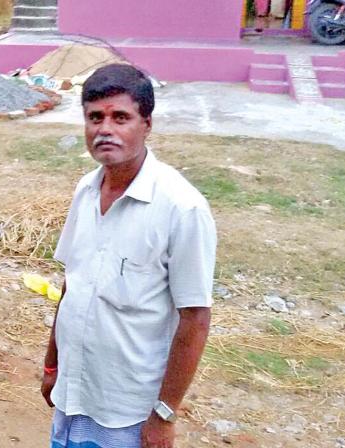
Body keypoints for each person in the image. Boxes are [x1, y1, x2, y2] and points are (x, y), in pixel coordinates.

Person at [40, 63, 216, 448]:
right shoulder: (85, 191)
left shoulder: (181, 208)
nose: (105, 129)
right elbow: (72, 284)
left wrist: (164, 415)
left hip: (128, 415)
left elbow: (196, 319)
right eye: (94, 117)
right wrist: (53, 365)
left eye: (121, 117)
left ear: (147, 124)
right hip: (74, 396)